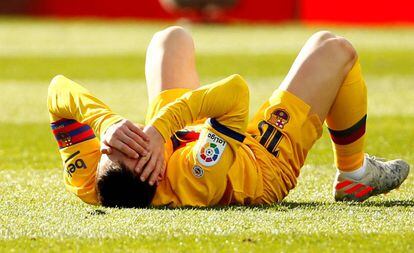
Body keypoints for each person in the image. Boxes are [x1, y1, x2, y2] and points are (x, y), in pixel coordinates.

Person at [48, 26, 410, 208]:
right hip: (260, 162)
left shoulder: (91, 182)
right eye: (137, 145)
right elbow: (235, 93)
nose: (130, 136)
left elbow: (57, 90)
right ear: (156, 171)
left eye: (114, 147)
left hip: (183, 140)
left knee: (169, 39)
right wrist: (160, 128)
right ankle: (354, 171)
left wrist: (104, 123)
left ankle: (166, 131)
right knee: (333, 48)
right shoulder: (196, 174)